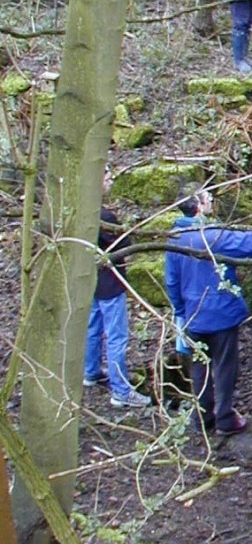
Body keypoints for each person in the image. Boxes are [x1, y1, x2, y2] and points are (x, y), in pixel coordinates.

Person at [165, 186, 252, 436]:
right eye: (208, 199)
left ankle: (203, 419)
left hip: (193, 316)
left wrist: (180, 313)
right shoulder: (213, 236)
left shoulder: (174, 237)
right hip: (220, 314)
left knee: (199, 367)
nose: (212, 202)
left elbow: (172, 282)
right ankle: (225, 419)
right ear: (198, 206)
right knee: (225, 367)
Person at [84, 166, 152, 408]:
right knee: (116, 337)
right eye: (108, 176)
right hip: (110, 285)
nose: (110, 180)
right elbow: (125, 244)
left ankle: (90, 371)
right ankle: (121, 391)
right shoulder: (105, 218)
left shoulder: (81, 211)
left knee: (92, 327)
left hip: (89, 283)